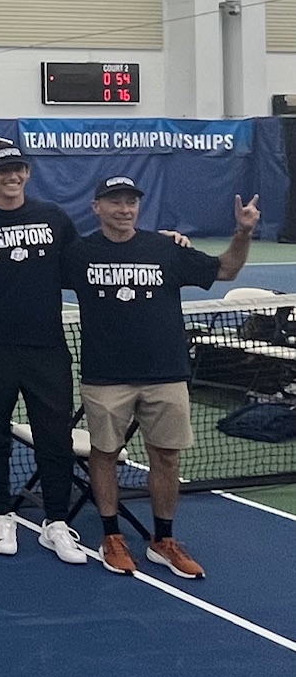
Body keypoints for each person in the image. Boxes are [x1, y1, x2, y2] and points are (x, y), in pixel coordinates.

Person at [63, 178, 258, 578]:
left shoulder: (166, 248)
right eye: (114, 202)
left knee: (166, 456)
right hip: (106, 377)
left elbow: (227, 269)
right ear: (97, 206)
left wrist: (243, 231)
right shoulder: (78, 254)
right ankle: (111, 535)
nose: (124, 209)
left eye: (130, 202)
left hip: (165, 375)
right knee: (104, 454)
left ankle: (163, 539)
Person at [0, 145, 88, 563]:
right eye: (1, 171)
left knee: (55, 439)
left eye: (16, 170)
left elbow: (82, 265)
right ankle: (0, 513)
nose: (10, 177)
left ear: (27, 174)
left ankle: (56, 521)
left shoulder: (53, 217)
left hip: (46, 349)